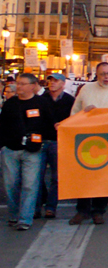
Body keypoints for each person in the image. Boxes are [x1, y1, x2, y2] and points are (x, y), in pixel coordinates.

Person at [69, 63, 108, 226]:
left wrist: (98, 114)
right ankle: (82, 211)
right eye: (103, 74)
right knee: (84, 177)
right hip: (85, 139)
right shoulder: (86, 89)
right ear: (97, 75)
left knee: (102, 178)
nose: (106, 77)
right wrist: (85, 113)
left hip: (105, 140)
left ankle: (98, 211)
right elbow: (75, 113)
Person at [0, 74, 56, 231]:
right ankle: (14, 215)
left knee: (30, 186)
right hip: (11, 150)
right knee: (10, 185)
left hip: (33, 151)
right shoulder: (10, 104)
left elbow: (50, 124)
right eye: (18, 83)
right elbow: (2, 125)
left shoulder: (42, 103)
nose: (19, 86)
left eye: (23, 84)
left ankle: (25, 219)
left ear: (33, 86)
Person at [35, 73, 75, 219]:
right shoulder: (41, 99)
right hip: (41, 141)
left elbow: (74, 117)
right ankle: (36, 207)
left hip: (58, 142)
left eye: (56, 81)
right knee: (36, 177)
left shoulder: (70, 100)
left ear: (63, 84)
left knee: (56, 178)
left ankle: (51, 207)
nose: (52, 83)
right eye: (50, 80)